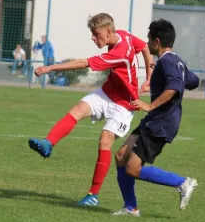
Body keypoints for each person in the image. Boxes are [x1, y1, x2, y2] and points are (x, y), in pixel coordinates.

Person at [28, 13, 153, 206]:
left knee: (105, 140)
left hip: (124, 105)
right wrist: (149, 74)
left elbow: (84, 63)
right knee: (78, 109)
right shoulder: (124, 35)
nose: (93, 38)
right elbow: (144, 46)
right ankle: (48, 143)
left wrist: (50, 68)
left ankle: (92, 194)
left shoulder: (118, 53)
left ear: (108, 31)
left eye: (96, 34)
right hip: (107, 92)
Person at [112, 19, 199, 216]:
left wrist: (150, 105)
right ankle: (130, 208)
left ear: (157, 41)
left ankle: (183, 182)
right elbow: (193, 81)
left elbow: (175, 86)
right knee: (121, 157)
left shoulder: (167, 61)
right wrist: (161, 79)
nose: (147, 43)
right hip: (155, 120)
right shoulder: (175, 61)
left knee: (133, 169)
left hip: (161, 123)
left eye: (149, 40)